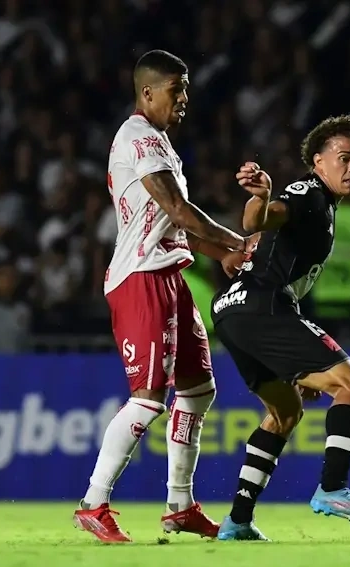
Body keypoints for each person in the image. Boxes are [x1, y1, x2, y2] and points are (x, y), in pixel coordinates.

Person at [72, 50, 250, 543]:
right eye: (178, 88)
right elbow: (178, 207)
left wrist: (222, 253)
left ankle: (179, 504)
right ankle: (93, 502)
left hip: (170, 274)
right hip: (140, 279)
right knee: (148, 399)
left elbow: (175, 224)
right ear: (147, 92)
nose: (185, 98)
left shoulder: (162, 145)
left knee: (198, 390)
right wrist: (235, 240)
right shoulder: (137, 137)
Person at [211, 115, 350, 542]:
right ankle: (333, 488)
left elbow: (260, 228)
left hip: (231, 310)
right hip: (262, 306)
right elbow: (258, 220)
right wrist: (262, 197)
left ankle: (237, 521)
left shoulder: (322, 206)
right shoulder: (308, 193)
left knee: (285, 412)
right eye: (343, 158)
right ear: (317, 161)